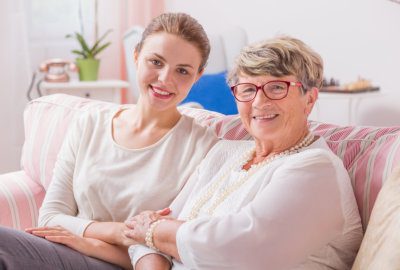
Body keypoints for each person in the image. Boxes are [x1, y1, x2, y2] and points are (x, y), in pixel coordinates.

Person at [0, 13, 218, 270]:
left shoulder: (203, 147)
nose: (165, 79)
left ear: (198, 76)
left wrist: (93, 244)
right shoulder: (90, 124)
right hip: (68, 253)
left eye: (182, 70)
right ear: (136, 57)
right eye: (156, 62)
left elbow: (178, 248)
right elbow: (50, 217)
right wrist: (117, 232)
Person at [124, 36, 363, 270]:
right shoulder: (223, 152)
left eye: (277, 87)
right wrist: (154, 241)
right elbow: (149, 237)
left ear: (309, 99)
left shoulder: (316, 169)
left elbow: (242, 251)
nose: (259, 101)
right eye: (248, 89)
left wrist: (154, 231)